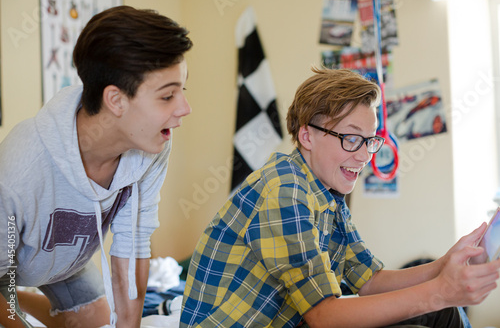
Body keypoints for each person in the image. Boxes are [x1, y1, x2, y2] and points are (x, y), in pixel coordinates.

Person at [180, 68, 500, 327]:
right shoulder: (285, 189)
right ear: (307, 136)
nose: (363, 155)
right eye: (350, 138)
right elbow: (324, 316)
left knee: (443, 313)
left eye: (369, 140)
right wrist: (442, 291)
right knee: (436, 309)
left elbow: (369, 280)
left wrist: (445, 264)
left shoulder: (328, 192)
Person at [0, 5, 192, 328]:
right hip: (5, 266)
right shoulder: (19, 172)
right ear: (115, 100)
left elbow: (133, 247)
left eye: (182, 91)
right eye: (167, 96)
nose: (184, 109)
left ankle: (25, 300)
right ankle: (13, 296)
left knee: (98, 323)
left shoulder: (152, 146)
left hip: (68, 264)